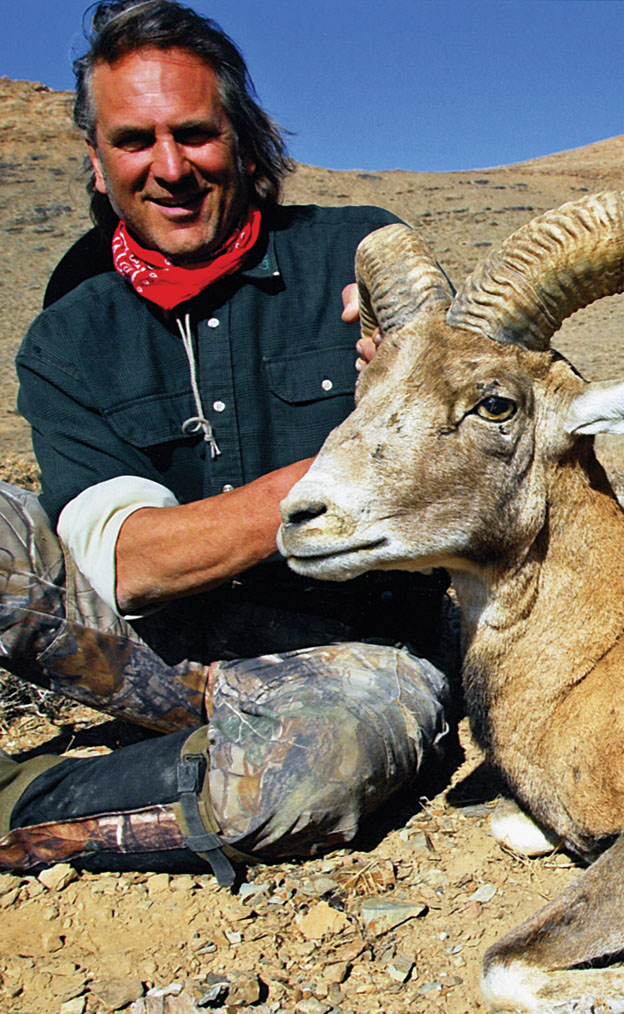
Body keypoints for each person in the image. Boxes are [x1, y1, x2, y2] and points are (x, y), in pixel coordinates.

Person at [0, 0, 453, 886]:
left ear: (243, 141)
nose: (169, 169)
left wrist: (411, 379)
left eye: (196, 134)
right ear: (97, 163)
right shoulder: (68, 336)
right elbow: (123, 565)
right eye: (134, 141)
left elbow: (473, 430)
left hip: (355, 656)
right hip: (149, 659)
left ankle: (36, 798)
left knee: (322, 765)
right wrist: (356, 459)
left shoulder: (357, 253)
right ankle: (195, 742)